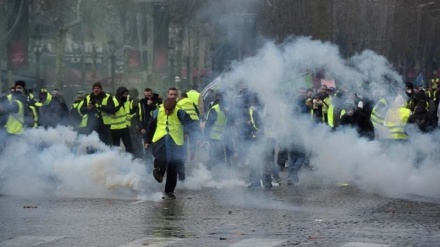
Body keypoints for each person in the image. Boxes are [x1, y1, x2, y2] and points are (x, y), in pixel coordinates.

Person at [145, 97, 200, 199]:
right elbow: (150, 126)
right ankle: (159, 173)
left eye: (169, 110)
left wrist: (195, 136)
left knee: (172, 165)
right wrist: (147, 141)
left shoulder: (180, 112)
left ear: (174, 108)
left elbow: (191, 125)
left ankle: (169, 190)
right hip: (160, 139)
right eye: (166, 109)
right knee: (160, 158)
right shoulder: (157, 112)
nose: (167, 111)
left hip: (175, 141)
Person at [110, 87, 133, 155]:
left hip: (124, 128)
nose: (125, 96)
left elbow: (128, 114)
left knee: (129, 147)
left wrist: (128, 124)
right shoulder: (112, 101)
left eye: (126, 94)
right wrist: (120, 105)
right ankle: (116, 162)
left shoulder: (127, 102)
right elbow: (111, 112)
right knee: (115, 148)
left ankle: (129, 161)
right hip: (114, 128)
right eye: (124, 94)